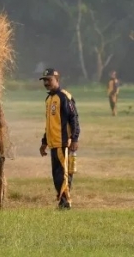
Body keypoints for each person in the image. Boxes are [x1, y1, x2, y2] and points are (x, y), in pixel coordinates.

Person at [38, 68, 80, 210]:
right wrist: (44, 142)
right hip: (53, 143)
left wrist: (74, 139)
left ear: (57, 79)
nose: (46, 83)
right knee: (56, 175)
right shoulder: (49, 99)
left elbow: (74, 118)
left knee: (63, 175)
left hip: (63, 143)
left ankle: (65, 203)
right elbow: (49, 124)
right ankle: (63, 200)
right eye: (44, 80)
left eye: (49, 80)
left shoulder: (64, 97)